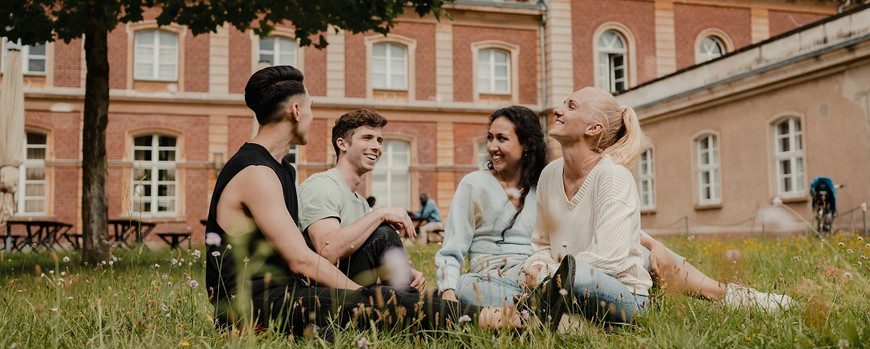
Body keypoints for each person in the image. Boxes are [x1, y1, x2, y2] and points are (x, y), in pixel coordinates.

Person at [204, 65, 519, 337]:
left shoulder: (282, 169)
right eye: (310, 108)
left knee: (380, 298)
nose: (312, 117)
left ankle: (497, 312)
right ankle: (483, 320)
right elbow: (302, 259)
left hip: (288, 292)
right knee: (374, 301)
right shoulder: (256, 171)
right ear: (296, 111)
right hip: (250, 306)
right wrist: (362, 295)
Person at [522, 87, 793, 325]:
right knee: (504, 286)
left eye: (571, 106)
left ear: (593, 129)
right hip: (566, 284)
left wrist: (546, 274)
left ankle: (735, 296)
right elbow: (542, 244)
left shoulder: (613, 177)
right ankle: (554, 316)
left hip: (621, 292)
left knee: (575, 280)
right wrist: (536, 265)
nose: (557, 110)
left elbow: (607, 259)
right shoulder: (549, 176)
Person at [298, 109, 425, 292]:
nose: (377, 147)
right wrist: (380, 214)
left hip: (353, 290)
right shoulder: (322, 185)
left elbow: (362, 264)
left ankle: (412, 304)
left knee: (428, 296)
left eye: (379, 140)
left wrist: (400, 271)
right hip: (320, 295)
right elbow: (327, 251)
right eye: (367, 138)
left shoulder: (361, 203)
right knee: (384, 234)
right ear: (342, 144)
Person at [436, 106, 548, 307]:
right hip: (487, 278)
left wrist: (540, 270)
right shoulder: (474, 184)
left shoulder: (542, 187)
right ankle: (538, 309)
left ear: (526, 144)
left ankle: (529, 308)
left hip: (532, 275)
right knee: (465, 285)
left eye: (501, 139)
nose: (491, 146)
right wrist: (448, 289)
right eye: (490, 138)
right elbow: (452, 247)